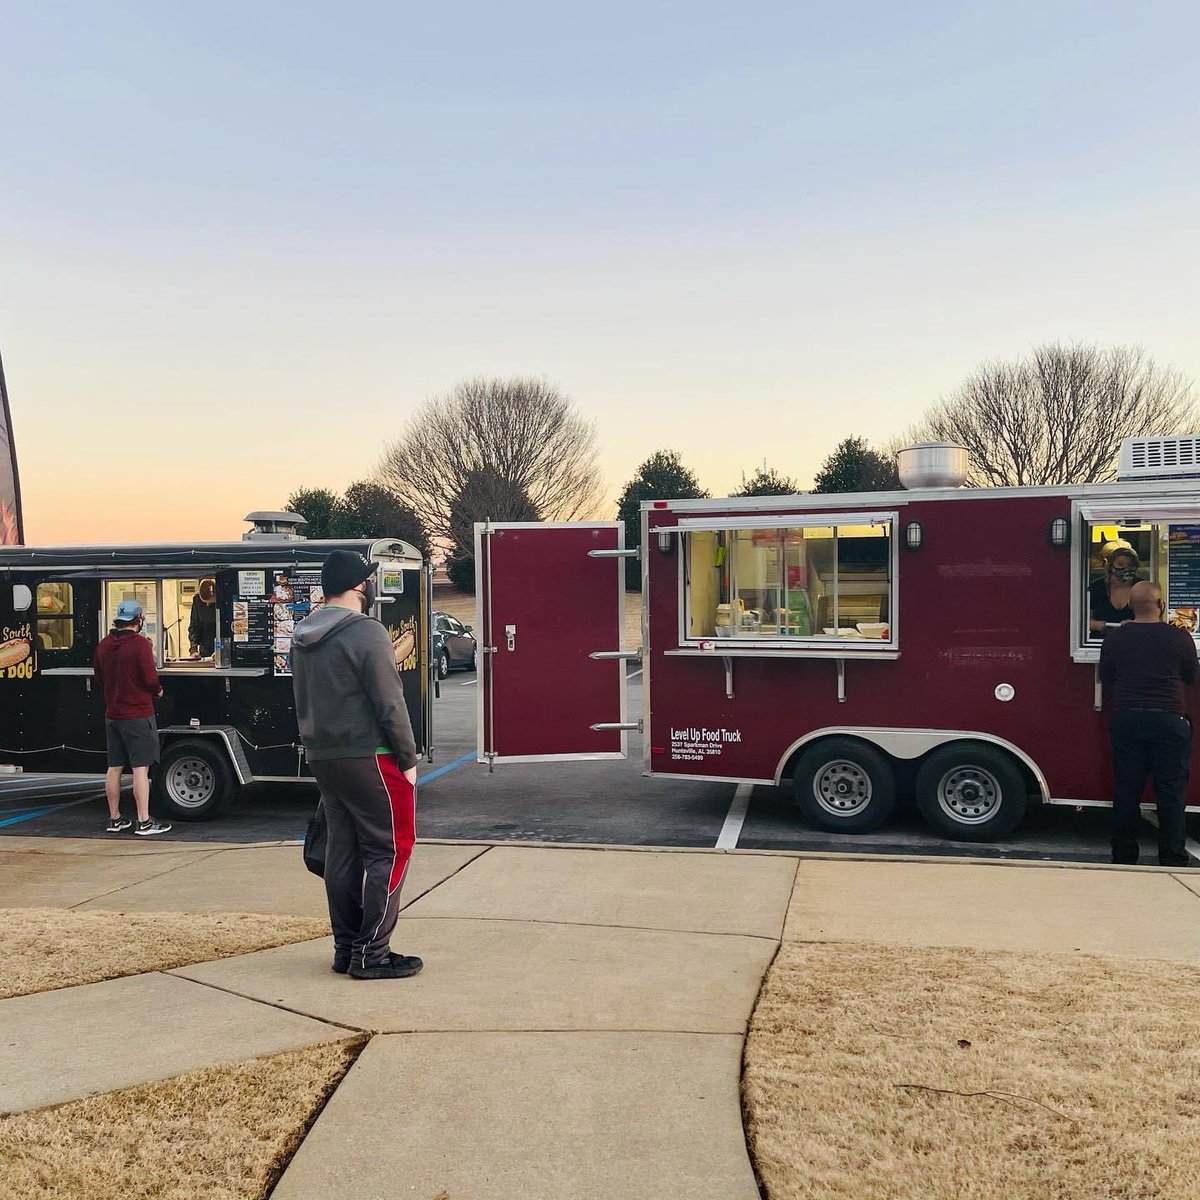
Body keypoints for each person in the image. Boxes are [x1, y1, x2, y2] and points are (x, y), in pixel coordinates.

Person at [290, 550, 422, 980]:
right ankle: (373, 953)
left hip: (324, 755)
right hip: (374, 756)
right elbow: (390, 701)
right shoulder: (366, 632)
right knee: (392, 847)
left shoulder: (302, 633)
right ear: (359, 586)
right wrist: (408, 756)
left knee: (342, 851)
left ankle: (347, 948)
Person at [1099, 581, 1197, 867]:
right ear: (1162, 605)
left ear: (1130, 605)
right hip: (1170, 721)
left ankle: (1124, 855)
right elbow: (1191, 677)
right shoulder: (1180, 638)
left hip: (1129, 719)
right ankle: (1172, 857)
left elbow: (1107, 676)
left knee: (1127, 790)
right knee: (1171, 793)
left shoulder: (1116, 638)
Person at [93, 599, 173, 836]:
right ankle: (144, 821)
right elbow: (150, 678)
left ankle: (115, 818)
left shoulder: (104, 645)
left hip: (112, 714)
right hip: (138, 714)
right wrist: (158, 691)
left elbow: (99, 678)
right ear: (138, 620)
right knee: (140, 769)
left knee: (114, 767)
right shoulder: (139, 645)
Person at [1089, 547, 1140, 634]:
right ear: (1110, 567)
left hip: (1133, 640)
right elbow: (1082, 621)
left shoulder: (1142, 588)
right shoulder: (1096, 587)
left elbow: (1152, 619)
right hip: (1100, 642)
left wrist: (1135, 624)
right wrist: (1098, 625)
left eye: (1131, 565)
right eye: (1120, 564)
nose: (1126, 568)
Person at [188, 577, 217, 658]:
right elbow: (194, 627)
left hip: (222, 644)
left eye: (211, 603)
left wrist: (221, 649)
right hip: (205, 647)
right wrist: (193, 650)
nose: (207, 605)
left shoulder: (225, 600)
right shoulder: (197, 600)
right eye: (205, 603)